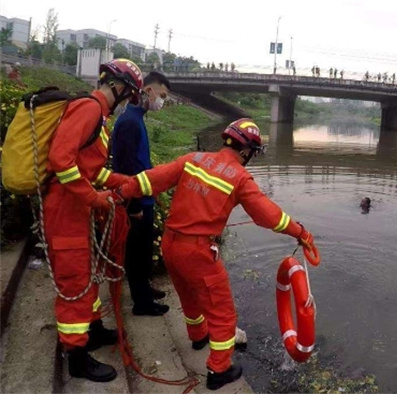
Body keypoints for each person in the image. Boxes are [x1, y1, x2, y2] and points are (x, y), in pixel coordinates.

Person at [112, 119, 318, 391]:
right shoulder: (240, 177)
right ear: (246, 151)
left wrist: (119, 193)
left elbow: (149, 179)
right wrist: (300, 232)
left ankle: (197, 337)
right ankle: (218, 369)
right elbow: (269, 216)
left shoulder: (193, 159)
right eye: (253, 154)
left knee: (188, 295)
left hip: (171, 246)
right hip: (197, 251)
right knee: (223, 315)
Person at [44, 58, 143, 382]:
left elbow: (89, 169)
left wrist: (119, 181)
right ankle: (77, 356)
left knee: (89, 273)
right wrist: (94, 198)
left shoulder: (98, 116)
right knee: (74, 280)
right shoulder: (88, 110)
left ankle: (94, 328)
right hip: (66, 208)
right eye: (128, 94)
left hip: (77, 206)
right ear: (117, 87)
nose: (127, 100)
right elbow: (61, 161)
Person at [111, 71, 171, 316]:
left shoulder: (137, 118)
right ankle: (142, 303)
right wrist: (134, 205)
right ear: (148, 90)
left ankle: (145, 289)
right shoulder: (129, 122)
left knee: (144, 248)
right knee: (136, 253)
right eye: (162, 95)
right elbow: (125, 167)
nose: (162, 101)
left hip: (144, 197)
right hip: (135, 201)